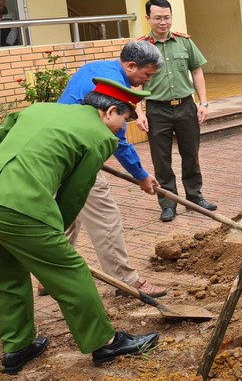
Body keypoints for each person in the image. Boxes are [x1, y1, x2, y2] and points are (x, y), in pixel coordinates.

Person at [0, 79, 160, 374]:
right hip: (16, 208)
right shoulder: (100, 136)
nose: (121, 129)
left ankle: (17, 347)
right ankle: (106, 342)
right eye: (124, 121)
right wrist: (53, 233)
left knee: (7, 277)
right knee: (70, 272)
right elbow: (74, 195)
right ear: (110, 111)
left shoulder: (39, 109)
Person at [39, 40, 167, 298]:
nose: (146, 82)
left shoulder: (96, 68)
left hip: (59, 148)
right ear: (131, 65)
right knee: (105, 216)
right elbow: (118, 141)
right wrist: (141, 176)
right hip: (75, 156)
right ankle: (125, 280)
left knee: (67, 212)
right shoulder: (113, 88)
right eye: (146, 75)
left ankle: (50, 276)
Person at [139, 0, 216, 222]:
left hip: (185, 107)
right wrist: (139, 112)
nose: (163, 22)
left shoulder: (185, 42)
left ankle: (194, 197)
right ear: (148, 19)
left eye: (167, 17)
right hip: (157, 110)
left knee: (191, 154)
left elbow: (197, 72)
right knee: (161, 160)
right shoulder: (142, 47)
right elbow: (135, 82)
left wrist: (203, 103)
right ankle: (168, 202)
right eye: (158, 18)